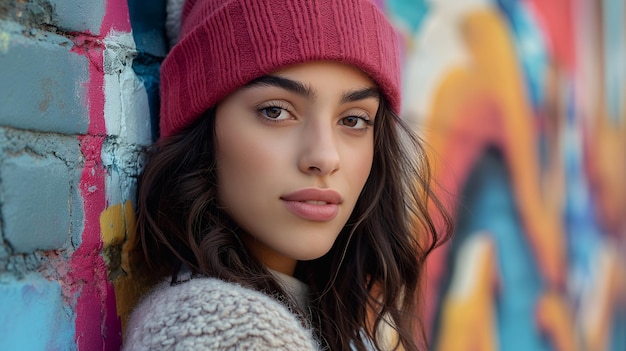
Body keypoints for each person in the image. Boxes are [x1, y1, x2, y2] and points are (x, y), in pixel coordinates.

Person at [123, 0, 452, 350]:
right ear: (202, 130)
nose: (325, 157)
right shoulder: (228, 333)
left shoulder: (332, 319)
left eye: (353, 119)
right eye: (276, 111)